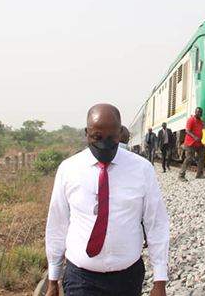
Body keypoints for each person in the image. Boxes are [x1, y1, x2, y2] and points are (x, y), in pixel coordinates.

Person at [45, 104, 170, 296]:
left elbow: (156, 224)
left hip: (127, 279)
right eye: (97, 137)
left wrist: (160, 280)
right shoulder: (68, 170)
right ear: (87, 133)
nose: (104, 143)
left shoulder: (142, 169)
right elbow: (57, 223)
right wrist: (53, 280)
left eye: (111, 137)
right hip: (81, 278)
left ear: (120, 133)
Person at [179, 107, 205, 181]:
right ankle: (181, 175)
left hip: (198, 143)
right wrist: (195, 137)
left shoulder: (201, 121)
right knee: (189, 158)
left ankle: (199, 174)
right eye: (198, 112)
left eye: (200, 113)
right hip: (190, 143)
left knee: (202, 157)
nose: (199, 114)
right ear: (195, 112)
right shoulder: (191, 120)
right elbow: (187, 131)